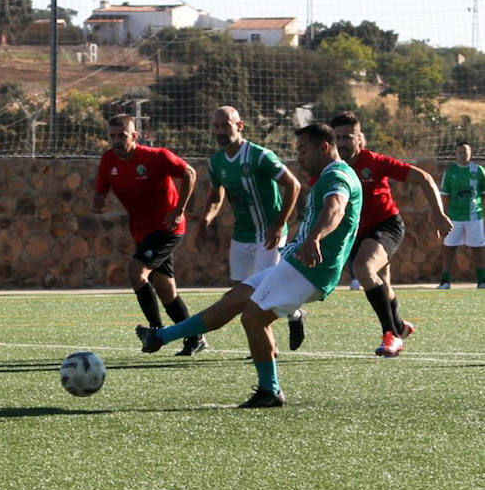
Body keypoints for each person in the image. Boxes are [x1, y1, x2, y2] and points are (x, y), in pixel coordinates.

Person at [137, 122, 362, 407]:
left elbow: (336, 208)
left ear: (324, 147)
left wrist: (315, 237)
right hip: (296, 261)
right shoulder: (332, 175)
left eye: (303, 151)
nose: (300, 158)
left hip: (311, 268)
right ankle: (160, 337)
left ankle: (270, 391)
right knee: (235, 299)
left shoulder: (337, 176)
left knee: (253, 317)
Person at [328, 112, 452, 357]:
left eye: (348, 137)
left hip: (387, 226)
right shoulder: (330, 168)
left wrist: (438, 213)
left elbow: (424, 178)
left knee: (364, 268)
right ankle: (399, 325)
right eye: (338, 138)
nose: (342, 143)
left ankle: (391, 335)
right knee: (383, 283)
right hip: (356, 232)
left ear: (360, 138)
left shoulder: (373, 161)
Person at [193, 106, 305, 350]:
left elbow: (293, 185)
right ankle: (294, 314)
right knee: (239, 294)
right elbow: (215, 196)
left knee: (263, 293)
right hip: (241, 236)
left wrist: (279, 223)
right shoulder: (217, 162)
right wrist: (204, 222)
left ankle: (269, 347)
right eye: (216, 126)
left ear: (239, 126)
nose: (221, 131)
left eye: (226, 125)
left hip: (269, 235)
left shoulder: (259, 155)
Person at [93, 113, 204, 355]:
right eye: (111, 136)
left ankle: (156, 332)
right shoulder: (108, 161)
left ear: (134, 135)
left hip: (168, 228)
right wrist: (98, 200)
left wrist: (179, 210)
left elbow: (190, 174)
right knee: (166, 291)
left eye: (121, 136)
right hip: (142, 232)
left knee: (136, 272)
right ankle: (195, 338)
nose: (116, 141)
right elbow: (101, 190)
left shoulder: (156, 157)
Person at [436, 141, 485, 289]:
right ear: (455, 154)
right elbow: (445, 196)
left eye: (465, 151)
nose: (463, 154)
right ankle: (445, 281)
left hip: (474, 216)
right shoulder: (450, 172)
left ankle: (482, 281)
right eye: (459, 152)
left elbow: (483, 195)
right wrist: (443, 216)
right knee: (449, 248)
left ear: (471, 153)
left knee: (477, 248)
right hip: (454, 218)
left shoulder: (479, 171)